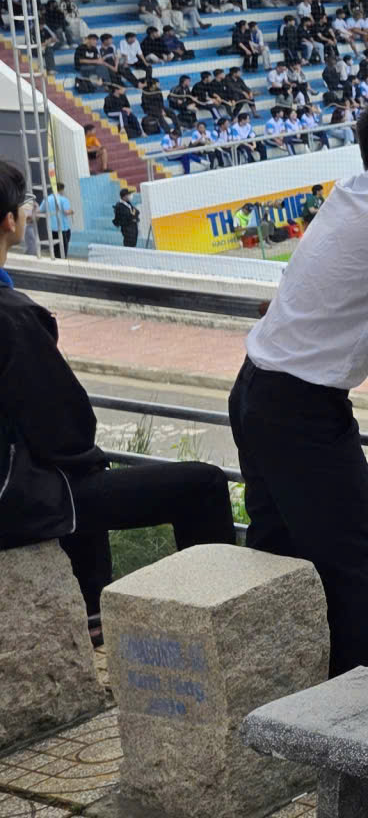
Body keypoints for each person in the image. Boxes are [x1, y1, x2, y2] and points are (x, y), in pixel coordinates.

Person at [232, 95, 368, 673]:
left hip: (257, 389)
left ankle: (284, 690)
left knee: (280, 552)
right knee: (360, 562)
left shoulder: (351, 193)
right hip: (300, 410)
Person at [0, 159, 234, 628]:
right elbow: (66, 429)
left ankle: (92, 606)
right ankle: (213, 630)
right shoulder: (13, 317)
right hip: (18, 496)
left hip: (20, 479)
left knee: (84, 471)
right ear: (10, 220)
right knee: (203, 484)